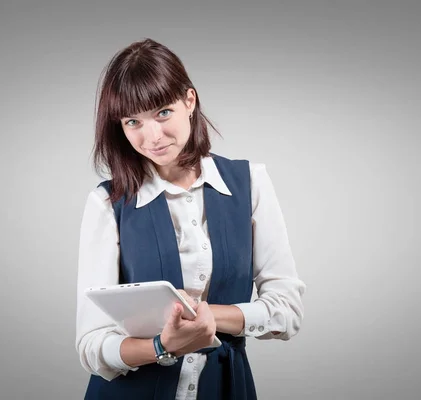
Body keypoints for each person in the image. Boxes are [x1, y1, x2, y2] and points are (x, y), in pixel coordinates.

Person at [75, 38, 306, 400]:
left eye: (163, 112)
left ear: (189, 101)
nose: (152, 137)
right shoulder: (108, 202)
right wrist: (162, 346)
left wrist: (210, 317)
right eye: (133, 121)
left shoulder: (250, 183)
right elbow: (92, 344)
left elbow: (287, 310)